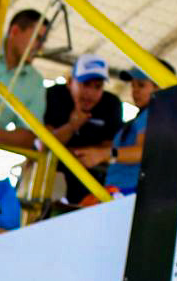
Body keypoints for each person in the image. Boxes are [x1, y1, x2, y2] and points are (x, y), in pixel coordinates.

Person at [41, 54, 126, 199]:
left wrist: (69, 151)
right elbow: (44, 145)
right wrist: (73, 126)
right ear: (70, 82)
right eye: (85, 84)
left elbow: (109, 148)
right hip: (50, 176)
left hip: (93, 183)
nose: (90, 93)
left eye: (98, 87)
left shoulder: (111, 104)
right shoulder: (55, 95)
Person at [102, 58, 174, 197]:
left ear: (160, 87)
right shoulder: (146, 117)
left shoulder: (152, 113)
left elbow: (143, 151)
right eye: (133, 86)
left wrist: (105, 154)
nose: (134, 91)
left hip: (127, 189)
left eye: (141, 85)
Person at [0, 10, 50, 149]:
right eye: (37, 38)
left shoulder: (35, 83)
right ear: (14, 31)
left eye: (43, 41)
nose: (40, 47)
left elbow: (30, 135)